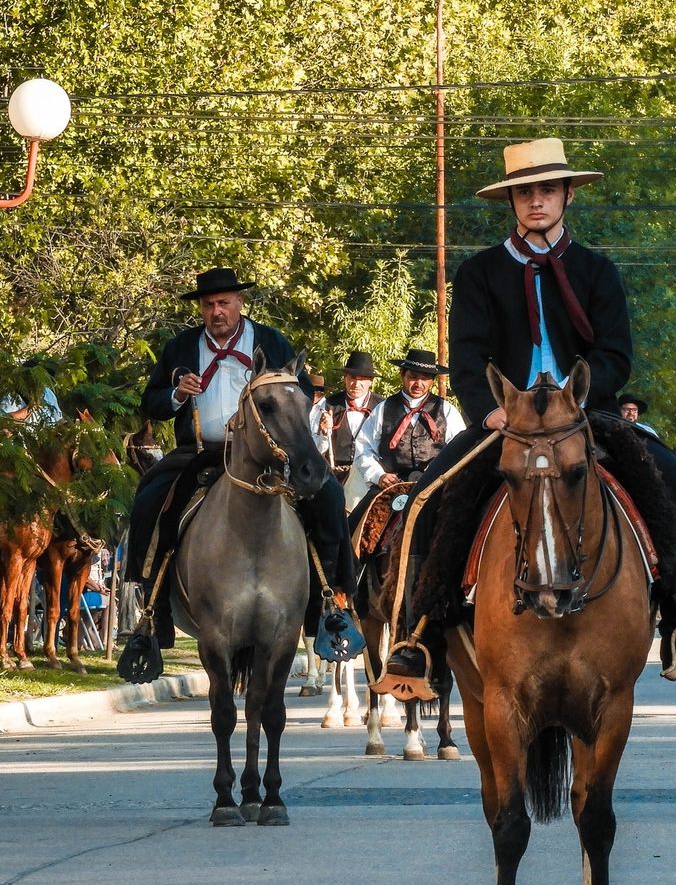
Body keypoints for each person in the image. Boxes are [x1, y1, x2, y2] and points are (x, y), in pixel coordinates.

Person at [381, 138, 676, 686]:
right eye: (524, 192)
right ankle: (419, 633)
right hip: (506, 421)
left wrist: (580, 398)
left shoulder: (598, 272)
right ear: (512, 201)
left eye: (546, 190)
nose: (535, 201)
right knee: (427, 497)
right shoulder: (478, 275)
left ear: (568, 194)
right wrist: (487, 410)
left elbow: (616, 353)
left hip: (586, 417)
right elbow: (468, 356)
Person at [126, 267, 358, 646]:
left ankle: (329, 605)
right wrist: (177, 395)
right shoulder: (181, 348)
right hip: (201, 453)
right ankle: (153, 612)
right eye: (208, 305)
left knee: (328, 495)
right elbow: (151, 402)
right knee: (150, 498)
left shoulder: (270, 341)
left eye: (223, 303)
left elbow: (297, 396)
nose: (216, 311)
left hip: (269, 455)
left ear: (239, 303)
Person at [350, 348, 465, 498]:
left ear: (432, 380)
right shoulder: (383, 409)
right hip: (390, 489)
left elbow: (459, 451)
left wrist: (441, 476)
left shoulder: (447, 410)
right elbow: (363, 448)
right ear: (402, 375)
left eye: (425, 378)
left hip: (435, 489)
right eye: (413, 376)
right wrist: (379, 476)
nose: (419, 383)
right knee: (357, 520)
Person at [312, 351, 379, 485]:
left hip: (369, 479)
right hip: (334, 477)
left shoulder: (381, 407)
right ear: (345, 378)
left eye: (362, 379)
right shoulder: (326, 404)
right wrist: (323, 433)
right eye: (352, 377)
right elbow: (313, 447)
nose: (356, 384)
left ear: (370, 381)